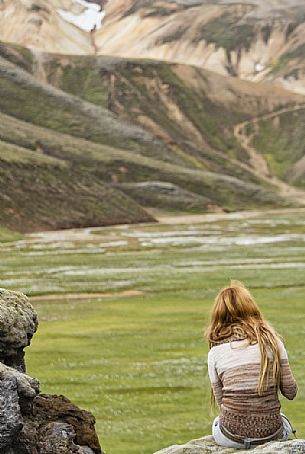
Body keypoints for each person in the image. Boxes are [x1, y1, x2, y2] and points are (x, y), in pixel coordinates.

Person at [205, 281, 298, 449]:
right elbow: (291, 392)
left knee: (217, 422)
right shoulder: (273, 342)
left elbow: (222, 404)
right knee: (284, 421)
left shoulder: (215, 353)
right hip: (271, 433)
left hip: (231, 438)